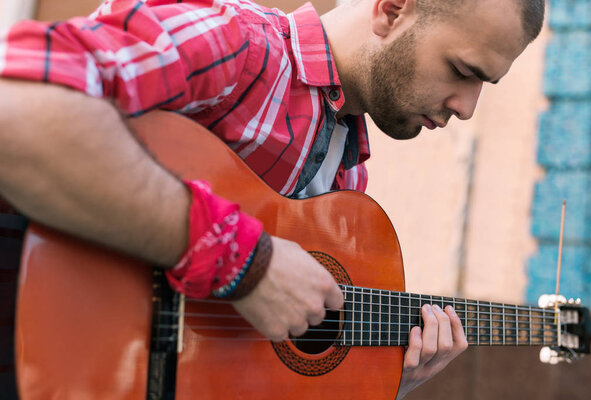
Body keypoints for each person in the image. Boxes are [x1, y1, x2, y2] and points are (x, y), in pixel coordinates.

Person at [0, 0, 544, 398]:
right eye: (463, 71)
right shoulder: (234, 42)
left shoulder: (344, 189)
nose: (468, 108)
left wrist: (381, 383)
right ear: (392, 10)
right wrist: (246, 263)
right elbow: (17, 110)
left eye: (484, 86)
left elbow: (243, 372)